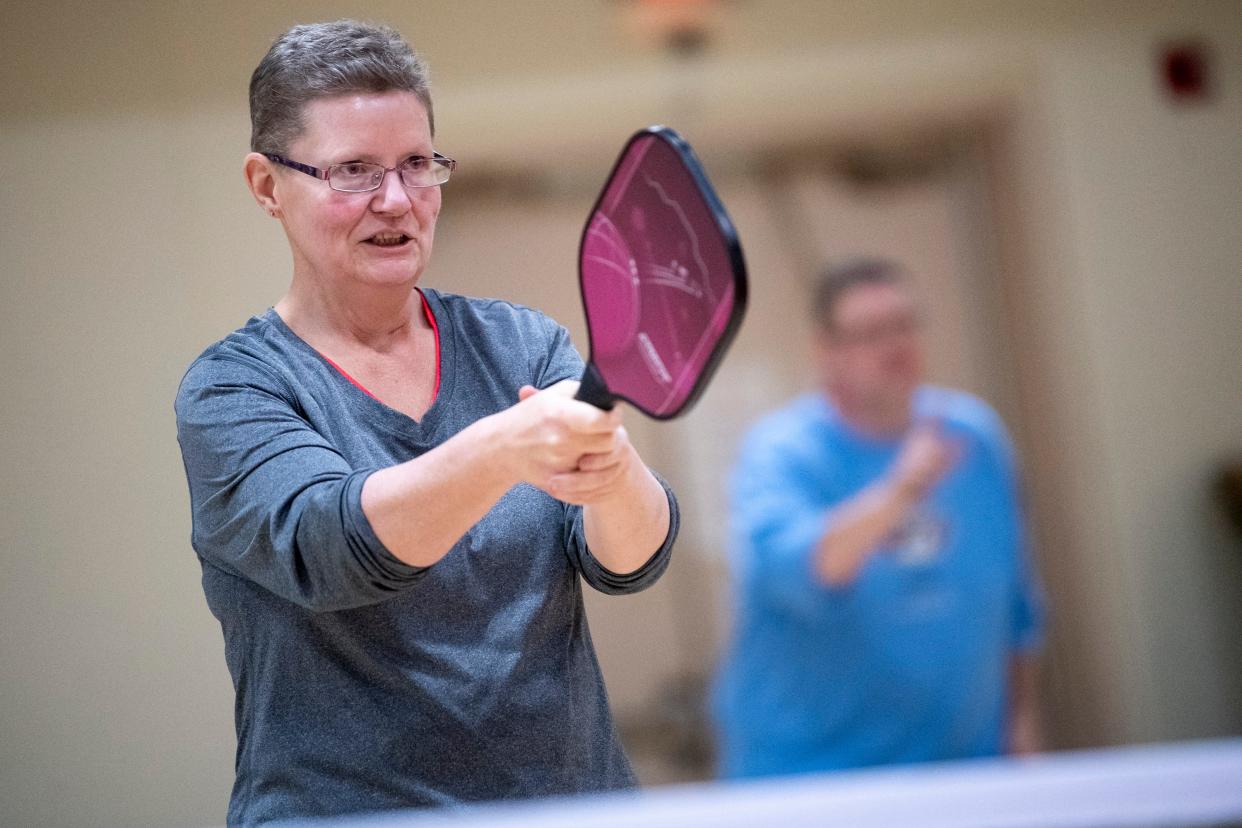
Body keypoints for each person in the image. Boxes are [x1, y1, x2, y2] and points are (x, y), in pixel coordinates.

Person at [174, 20, 678, 825]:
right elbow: (334, 549)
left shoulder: (522, 343)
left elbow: (627, 561)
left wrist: (617, 475)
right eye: (353, 171)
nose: (398, 201)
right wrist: (502, 447)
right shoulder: (235, 388)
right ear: (268, 186)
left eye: (417, 163)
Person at [710, 259, 1044, 778]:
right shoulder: (781, 453)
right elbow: (810, 571)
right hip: (816, 778)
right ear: (826, 351)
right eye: (871, 333)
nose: (896, 346)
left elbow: (1014, 609)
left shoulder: (974, 436)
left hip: (967, 771)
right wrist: (902, 489)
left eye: (905, 325)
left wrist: (1020, 736)